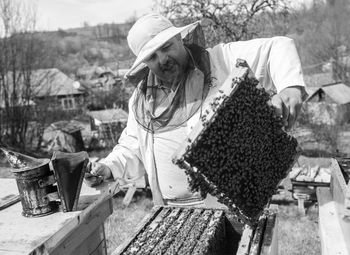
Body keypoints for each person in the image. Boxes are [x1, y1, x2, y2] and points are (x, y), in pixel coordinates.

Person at [86, 13, 307, 207]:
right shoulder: (141, 99)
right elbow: (131, 147)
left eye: (166, 47)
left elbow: (277, 47)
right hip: (170, 209)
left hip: (228, 201)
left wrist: (290, 88)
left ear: (179, 38)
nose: (163, 59)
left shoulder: (222, 60)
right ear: (145, 63)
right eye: (152, 56)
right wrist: (108, 167)